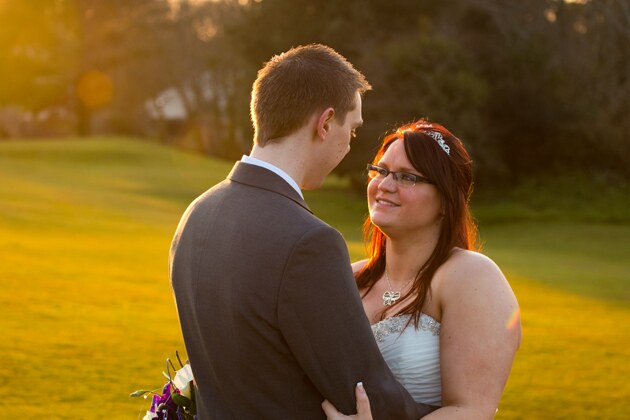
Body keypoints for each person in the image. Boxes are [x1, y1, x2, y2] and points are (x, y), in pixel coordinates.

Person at [169, 45, 436, 419]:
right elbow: (364, 393)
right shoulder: (308, 242)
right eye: (352, 129)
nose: (348, 145)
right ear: (325, 123)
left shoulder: (196, 214)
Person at [322, 120, 522, 419]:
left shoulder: (469, 276)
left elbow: (470, 410)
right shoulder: (348, 279)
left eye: (407, 177)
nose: (385, 185)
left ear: (445, 199)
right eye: (380, 170)